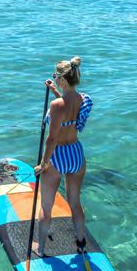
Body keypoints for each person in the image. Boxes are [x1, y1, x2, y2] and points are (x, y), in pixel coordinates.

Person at [33, 57, 93, 256]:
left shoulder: (56, 105)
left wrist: (43, 164)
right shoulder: (81, 99)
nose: (55, 80)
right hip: (75, 153)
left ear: (62, 79)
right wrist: (54, 91)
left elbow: (51, 139)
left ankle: (41, 248)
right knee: (75, 203)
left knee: (46, 207)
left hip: (57, 155)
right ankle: (81, 244)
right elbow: (68, 111)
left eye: (56, 77)